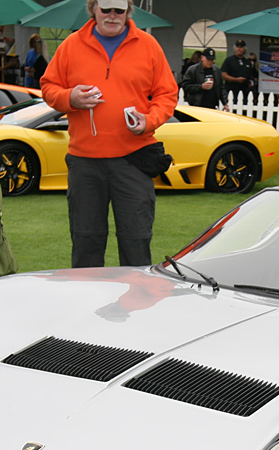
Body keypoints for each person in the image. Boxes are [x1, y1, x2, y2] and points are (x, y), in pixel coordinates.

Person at [40, 0, 178, 268]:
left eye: (119, 10)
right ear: (93, 8)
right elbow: (48, 87)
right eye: (106, 10)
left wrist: (149, 120)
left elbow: (167, 93)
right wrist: (71, 97)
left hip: (133, 160)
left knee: (136, 241)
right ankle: (86, 306)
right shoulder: (71, 45)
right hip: (85, 163)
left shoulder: (149, 46)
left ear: (128, 11)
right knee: (86, 241)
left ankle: (136, 307)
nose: (113, 16)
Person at [181, 47, 228, 111]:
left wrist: (225, 103)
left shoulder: (216, 70)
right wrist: (201, 87)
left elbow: (221, 87)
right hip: (197, 106)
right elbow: (186, 86)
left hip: (212, 106)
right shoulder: (193, 70)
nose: (210, 62)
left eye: (212, 60)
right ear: (202, 57)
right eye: (208, 59)